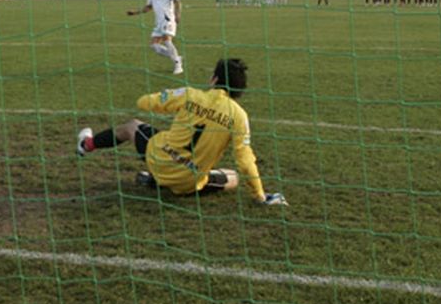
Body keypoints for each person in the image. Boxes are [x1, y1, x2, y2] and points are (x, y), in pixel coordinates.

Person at [75, 58, 287, 206]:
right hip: (189, 181)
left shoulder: (190, 95)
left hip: (159, 157)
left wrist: (166, 98)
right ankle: (160, 181)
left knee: (131, 126)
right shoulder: (239, 116)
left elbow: (143, 102)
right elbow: (245, 160)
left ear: (214, 79)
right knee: (233, 177)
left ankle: (87, 144)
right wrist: (260, 195)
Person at [127, 0, 183, 75]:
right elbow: (148, 7)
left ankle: (178, 65)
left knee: (167, 40)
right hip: (158, 22)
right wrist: (135, 12)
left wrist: (177, 14)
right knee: (154, 46)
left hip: (168, 19)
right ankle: (176, 57)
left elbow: (177, 2)